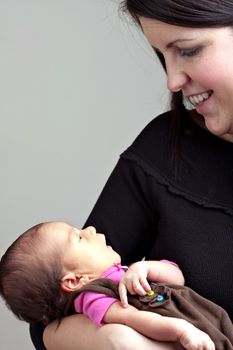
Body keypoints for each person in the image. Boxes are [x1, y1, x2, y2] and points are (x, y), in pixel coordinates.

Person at [29, 0, 233, 349]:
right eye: (161, 56)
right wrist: (119, 338)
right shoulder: (163, 150)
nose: (171, 81)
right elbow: (52, 314)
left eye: (187, 50)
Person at [1, 222, 232, 350]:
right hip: (190, 338)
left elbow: (177, 279)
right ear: (74, 281)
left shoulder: (124, 273)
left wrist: (146, 268)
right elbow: (134, 319)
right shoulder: (93, 299)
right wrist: (181, 331)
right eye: (79, 237)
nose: (90, 229)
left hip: (210, 325)